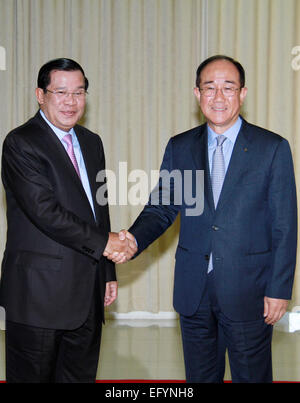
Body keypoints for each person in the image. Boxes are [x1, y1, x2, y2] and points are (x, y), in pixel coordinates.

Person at [105, 55, 297, 383]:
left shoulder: (272, 148)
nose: (218, 97)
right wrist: (133, 239)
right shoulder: (181, 147)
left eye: (228, 88)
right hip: (194, 291)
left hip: (249, 291)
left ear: (243, 93)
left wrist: (279, 289)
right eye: (209, 88)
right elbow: (162, 206)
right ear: (197, 94)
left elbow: (285, 226)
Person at [0, 58, 136, 383]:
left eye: (78, 92)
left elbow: (98, 209)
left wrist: (107, 271)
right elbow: (45, 212)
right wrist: (109, 243)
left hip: (86, 294)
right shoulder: (21, 143)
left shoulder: (91, 142)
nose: (70, 102)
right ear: (40, 95)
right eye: (60, 92)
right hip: (38, 296)